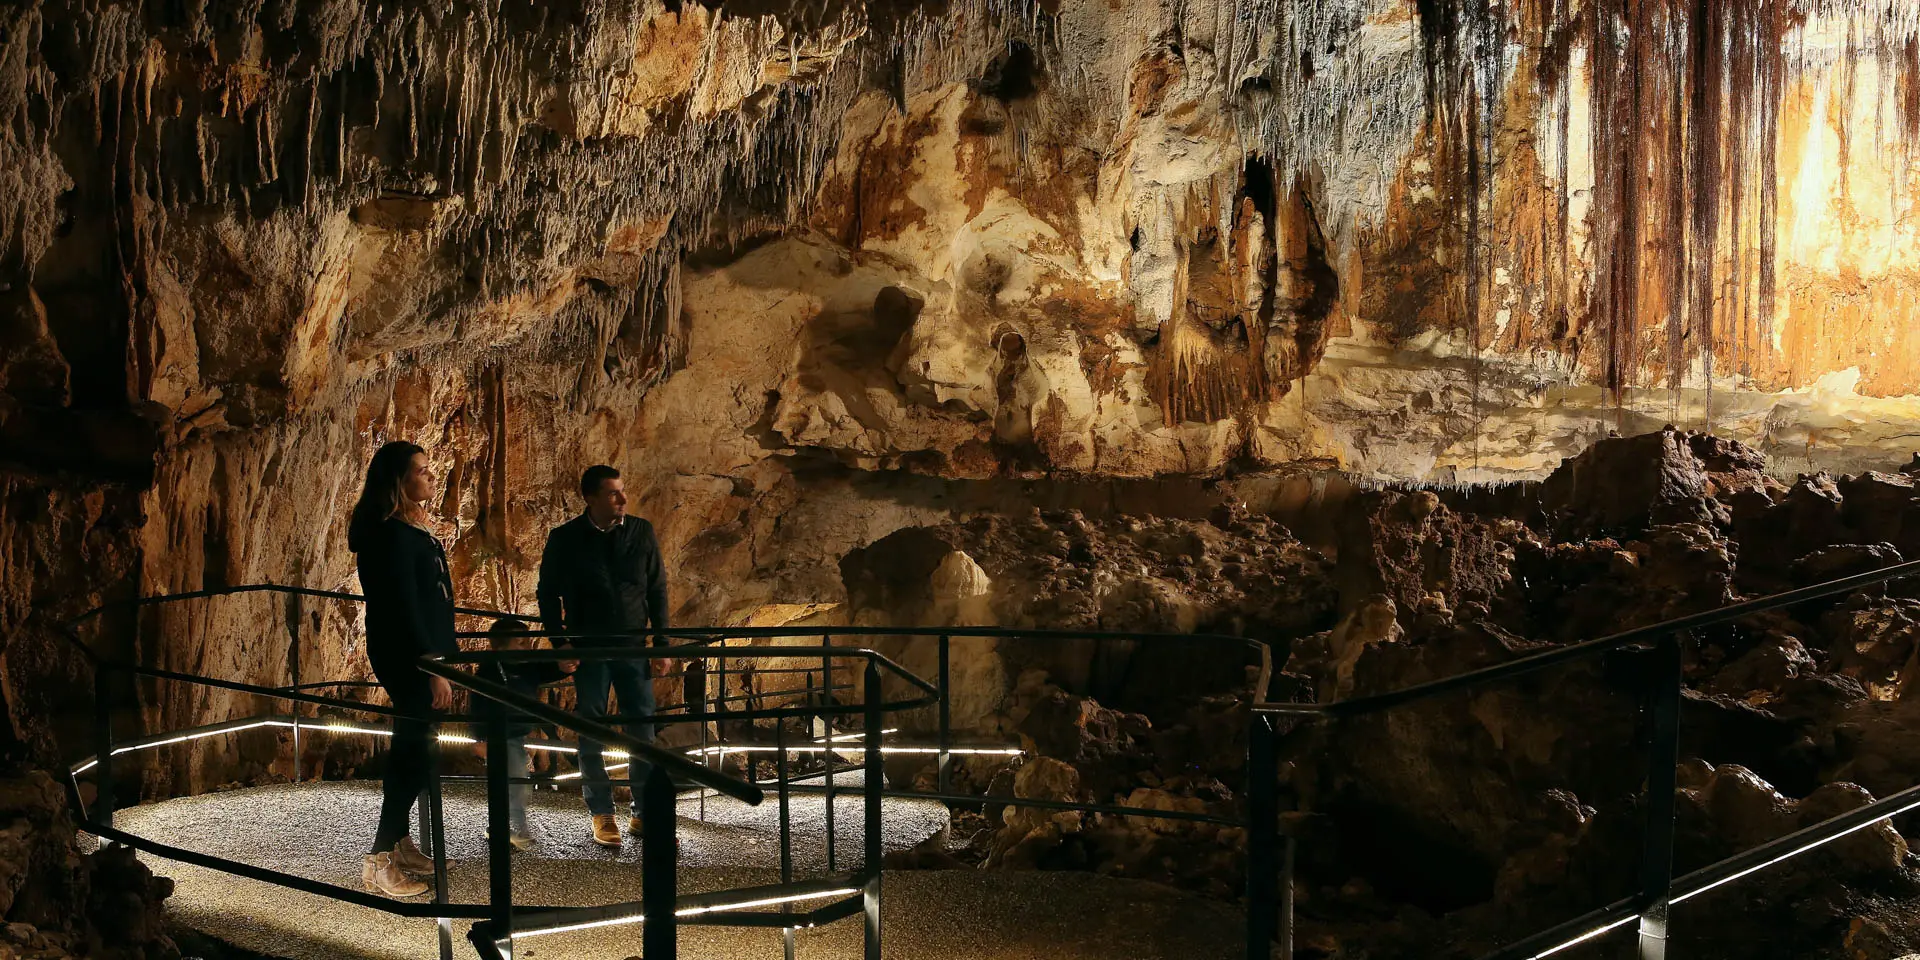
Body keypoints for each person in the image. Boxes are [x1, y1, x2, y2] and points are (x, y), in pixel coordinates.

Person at [536, 464, 674, 847]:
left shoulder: (641, 532)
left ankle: (644, 813)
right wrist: (560, 643)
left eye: (622, 491)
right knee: (591, 730)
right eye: (613, 493)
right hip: (589, 649)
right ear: (591, 498)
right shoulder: (566, 538)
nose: (623, 499)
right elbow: (547, 593)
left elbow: (657, 589)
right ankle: (601, 812)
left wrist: (661, 644)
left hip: (633, 647)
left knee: (642, 731)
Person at [347, 440, 456, 898]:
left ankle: (399, 841)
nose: (431, 476)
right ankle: (378, 859)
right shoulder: (390, 535)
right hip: (409, 656)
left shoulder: (405, 529)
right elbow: (405, 606)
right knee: (412, 751)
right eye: (421, 470)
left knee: (420, 749)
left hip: (420, 653)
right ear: (398, 480)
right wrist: (432, 664)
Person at [475, 618, 572, 850]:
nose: (527, 646)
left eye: (527, 641)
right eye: (520, 642)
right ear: (500, 647)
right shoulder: (489, 670)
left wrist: (565, 665)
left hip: (517, 734)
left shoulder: (528, 666)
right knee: (517, 783)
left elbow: (550, 670)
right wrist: (478, 738)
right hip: (498, 734)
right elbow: (477, 705)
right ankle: (516, 829)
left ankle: (499, 826)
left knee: (511, 782)